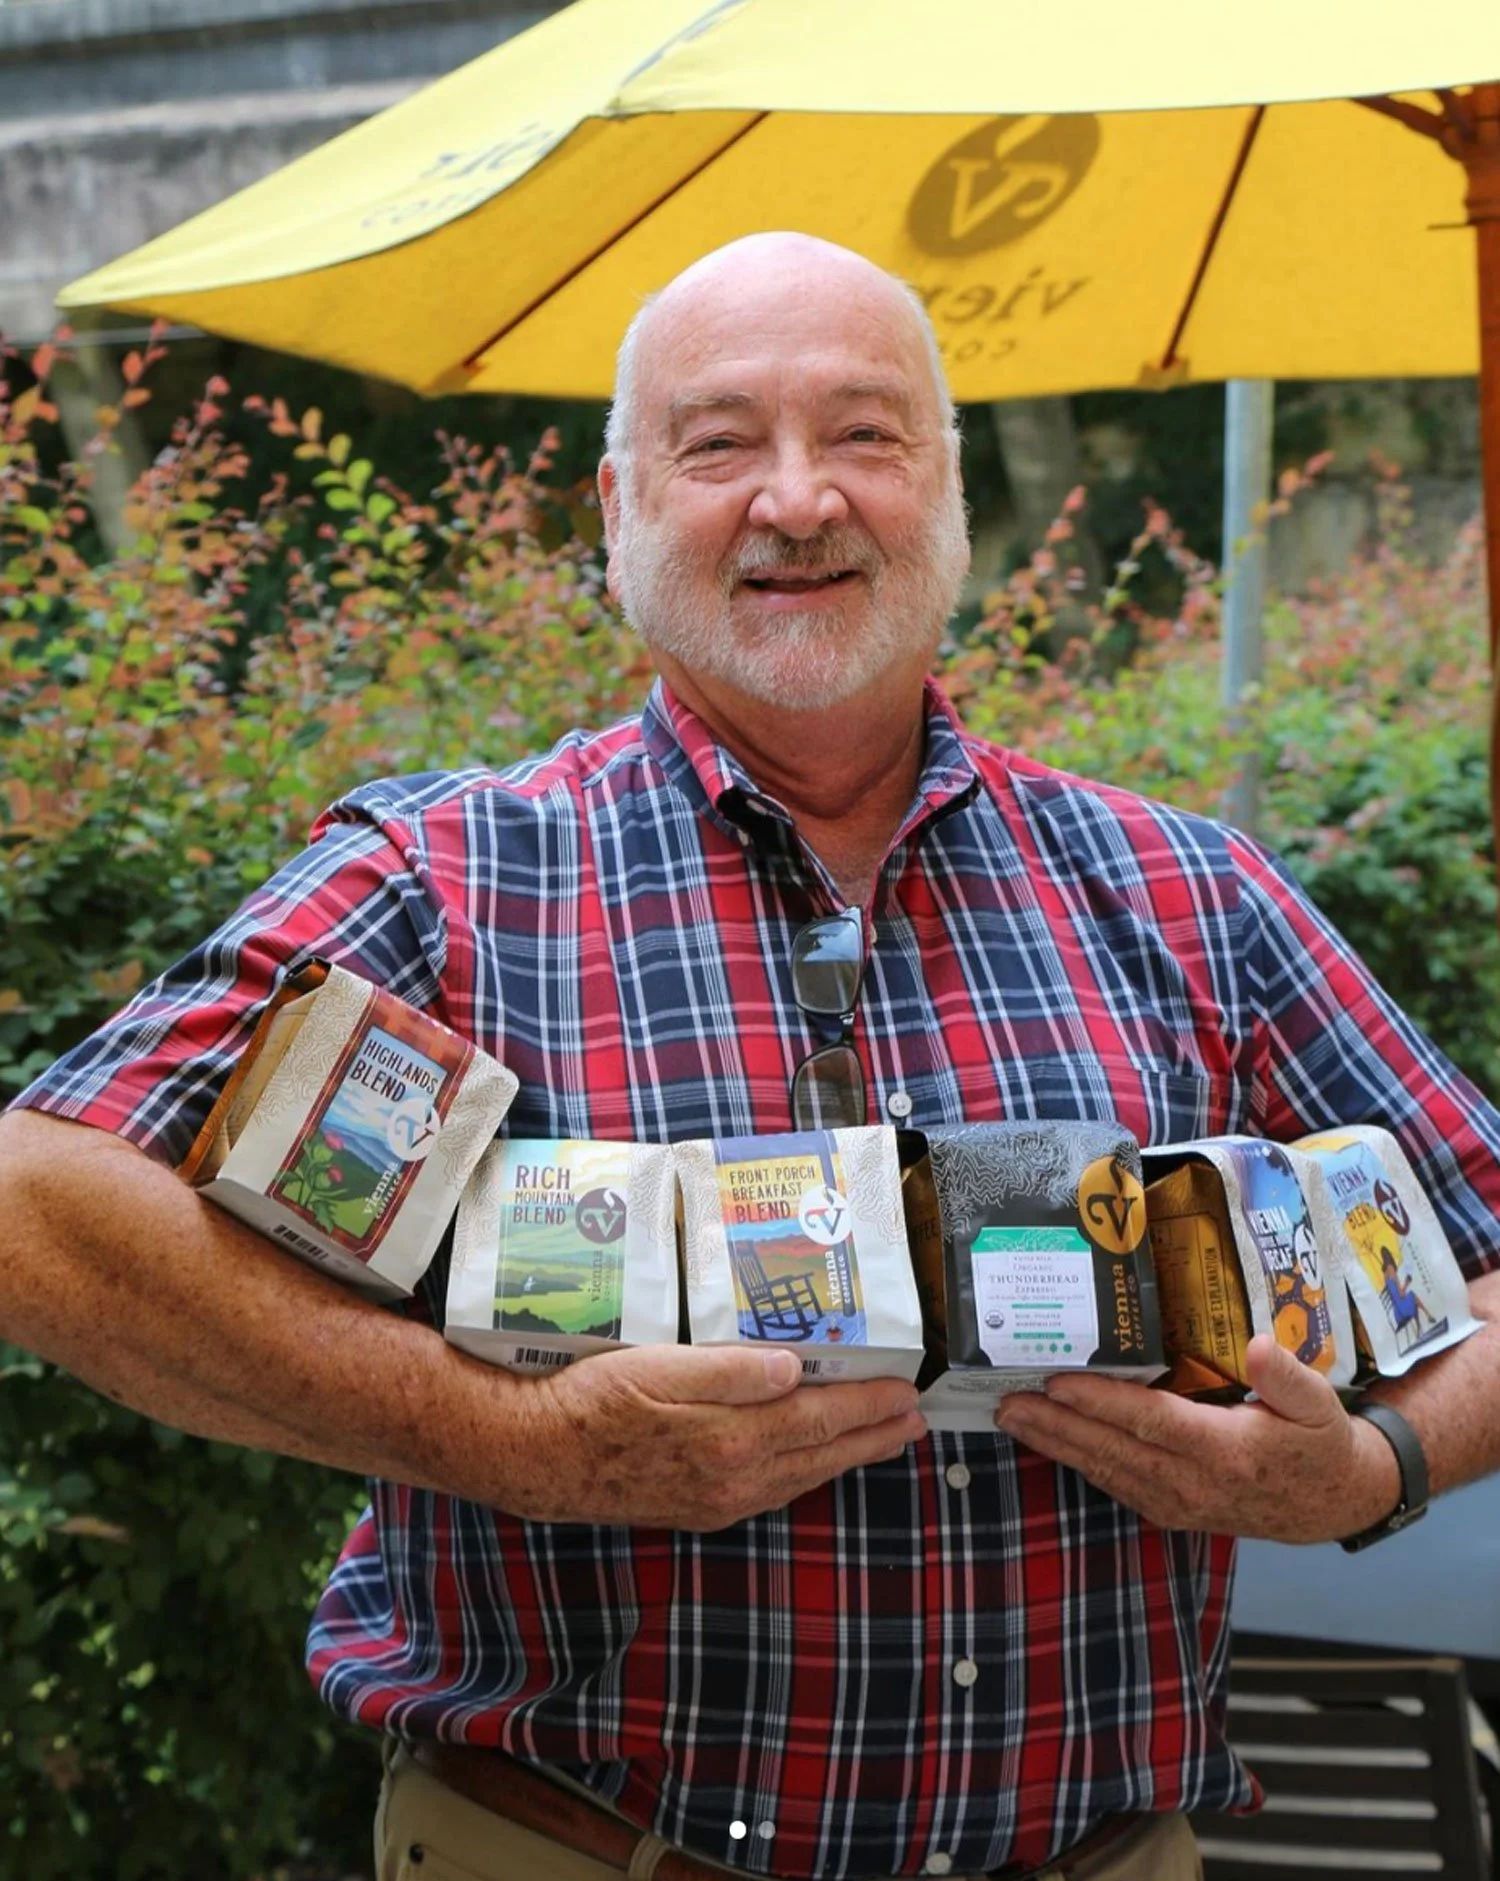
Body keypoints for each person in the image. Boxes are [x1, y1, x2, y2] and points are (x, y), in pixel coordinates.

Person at [3, 231, 1499, 1881]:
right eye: (721, 445)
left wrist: (1369, 1465)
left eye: (866, 434)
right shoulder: (446, 883)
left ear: (949, 487)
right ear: (619, 507)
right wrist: (505, 1442)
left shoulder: (1183, 891)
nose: (799, 499)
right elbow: (35, 1206)